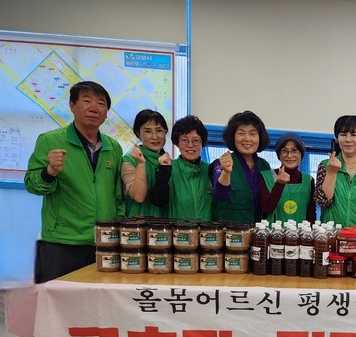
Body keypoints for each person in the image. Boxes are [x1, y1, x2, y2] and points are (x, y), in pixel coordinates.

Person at [24, 81, 124, 283]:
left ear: (106, 112)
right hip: (62, 241)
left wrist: (117, 232)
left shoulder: (113, 147)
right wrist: (50, 171)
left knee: (98, 299)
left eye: (101, 103)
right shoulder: (50, 141)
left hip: (103, 242)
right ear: (72, 105)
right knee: (59, 298)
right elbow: (32, 184)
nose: (94, 108)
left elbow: (117, 195)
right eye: (86, 101)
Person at [314, 115, 356, 228]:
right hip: (331, 235)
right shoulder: (325, 166)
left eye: (353, 134)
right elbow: (322, 201)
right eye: (343, 134)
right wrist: (331, 173)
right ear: (337, 138)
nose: (348, 139)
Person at [147, 115, 214, 221]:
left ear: (203, 143)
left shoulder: (210, 170)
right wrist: (164, 172)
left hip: (206, 231)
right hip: (177, 231)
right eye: (184, 140)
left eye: (195, 140)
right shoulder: (168, 169)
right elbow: (157, 201)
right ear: (177, 143)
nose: (190, 145)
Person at [210, 111, 271, 223]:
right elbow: (220, 195)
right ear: (233, 137)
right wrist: (226, 172)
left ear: (260, 138)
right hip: (228, 230)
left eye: (253, 134)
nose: (247, 139)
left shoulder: (264, 166)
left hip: (256, 230)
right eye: (241, 133)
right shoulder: (221, 163)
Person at [121, 109, 171, 217]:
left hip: (163, 225)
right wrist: (141, 164)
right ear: (138, 134)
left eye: (159, 130)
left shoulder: (169, 163)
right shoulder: (129, 161)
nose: (154, 136)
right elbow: (138, 196)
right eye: (148, 131)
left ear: (165, 132)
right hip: (136, 224)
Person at [260, 132, 315, 224]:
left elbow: (311, 215)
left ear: (301, 154)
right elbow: (266, 210)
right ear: (279, 155)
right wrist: (279, 185)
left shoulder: (309, 180)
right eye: (284, 151)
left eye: (294, 151)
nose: (289, 155)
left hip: (300, 232)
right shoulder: (265, 177)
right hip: (273, 232)